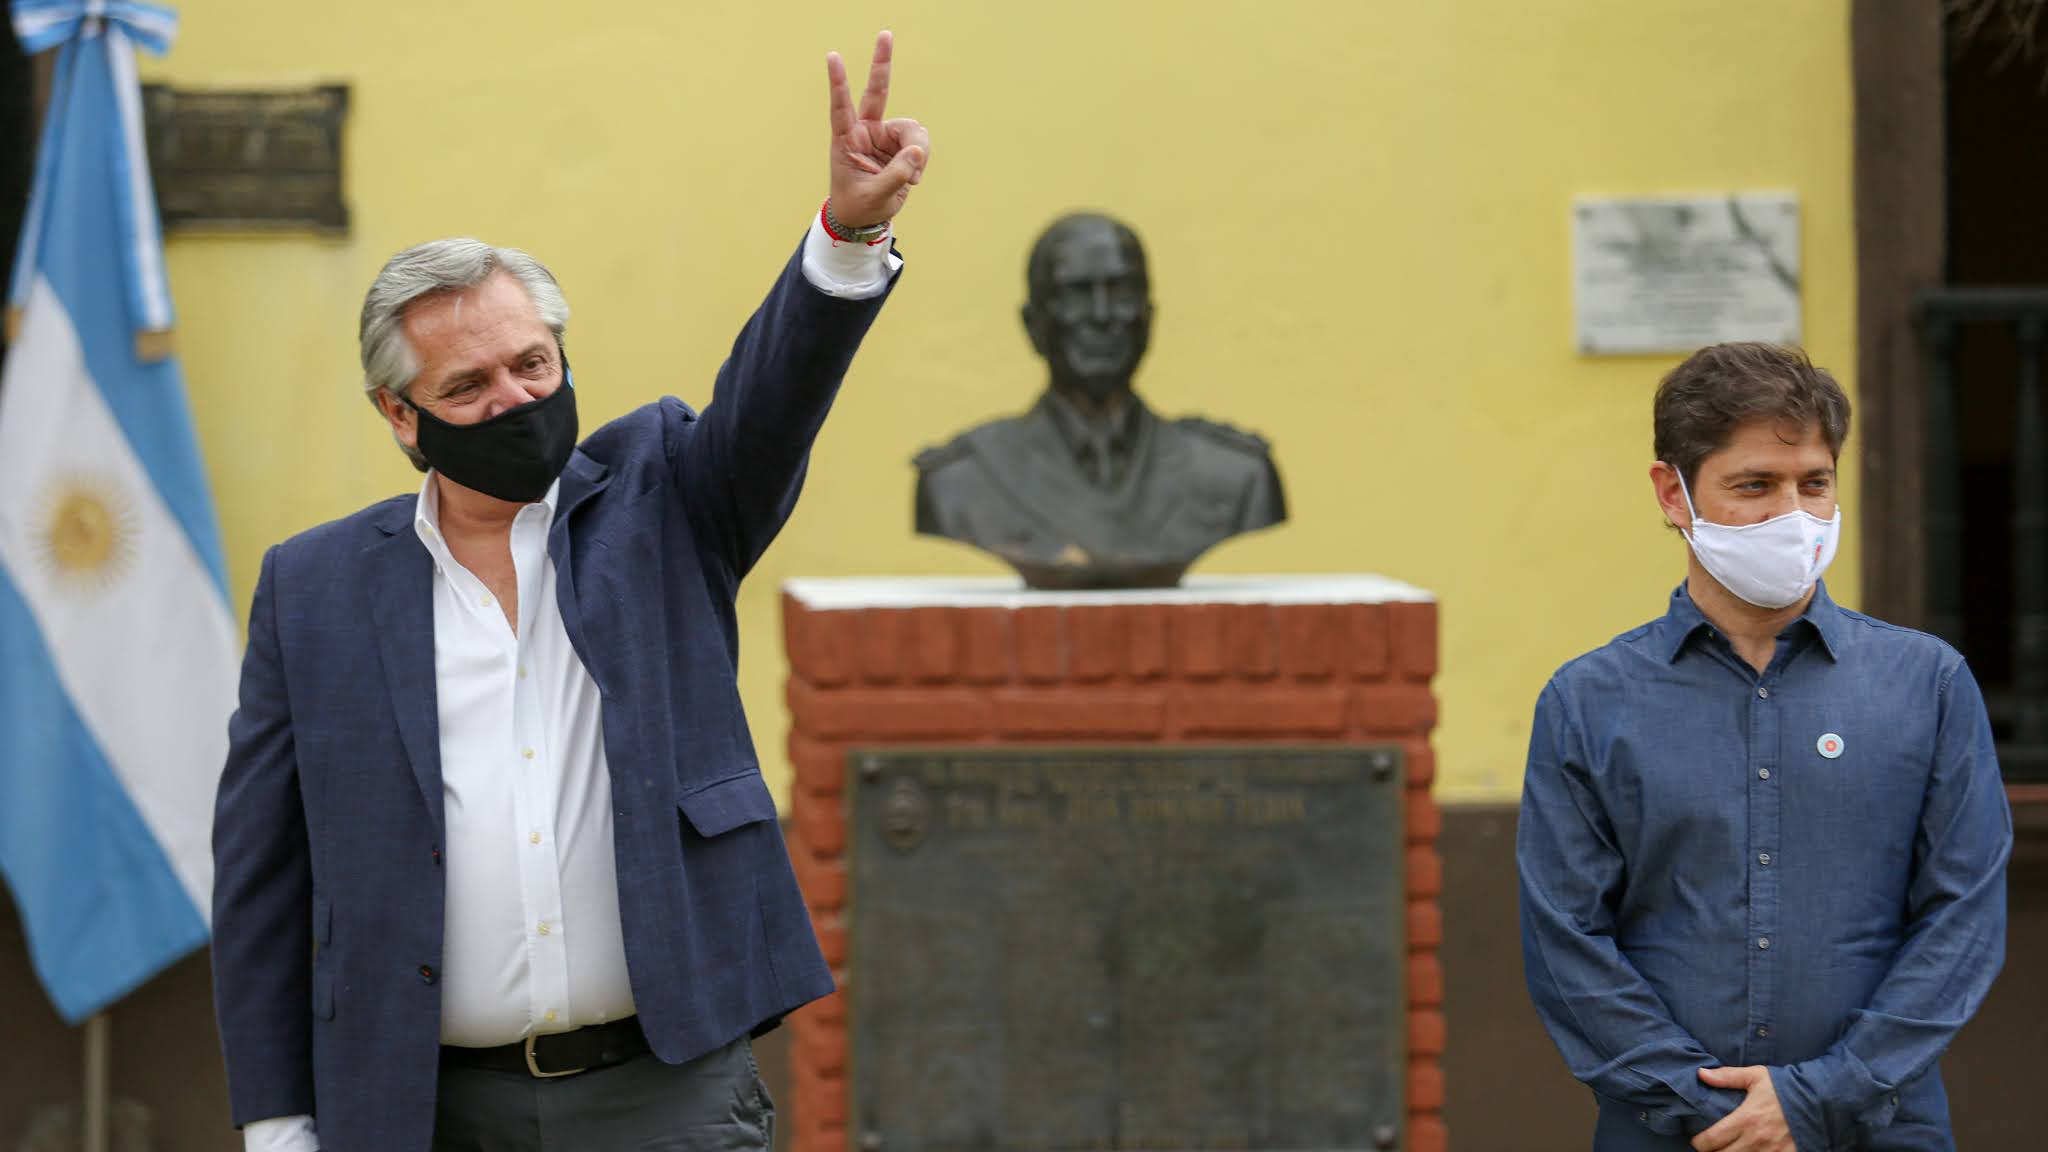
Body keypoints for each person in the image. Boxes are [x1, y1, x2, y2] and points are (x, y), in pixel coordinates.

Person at [209, 32, 930, 1152]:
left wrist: (846, 234)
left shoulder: (665, 497)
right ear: (402, 418)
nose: (514, 398)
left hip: (661, 1089)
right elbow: (262, 874)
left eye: (532, 364)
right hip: (419, 1104)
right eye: (470, 385)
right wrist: (274, 1121)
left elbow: (774, 396)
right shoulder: (312, 590)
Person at [1517, 343, 2011, 1152]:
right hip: (1670, 1136)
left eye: (1814, 482)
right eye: (1755, 485)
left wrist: (1823, 1097)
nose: (1795, 515)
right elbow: (1567, 945)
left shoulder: (1929, 685)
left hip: (1883, 1130)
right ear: (1672, 492)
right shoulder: (1588, 702)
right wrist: (1719, 1116)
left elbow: (1964, 923)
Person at [912, 212, 1284, 588]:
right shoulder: (961, 482)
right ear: (1033, 324)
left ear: (1148, 317)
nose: (1102, 316)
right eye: (1075, 294)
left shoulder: (1236, 475)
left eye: (1122, 293)